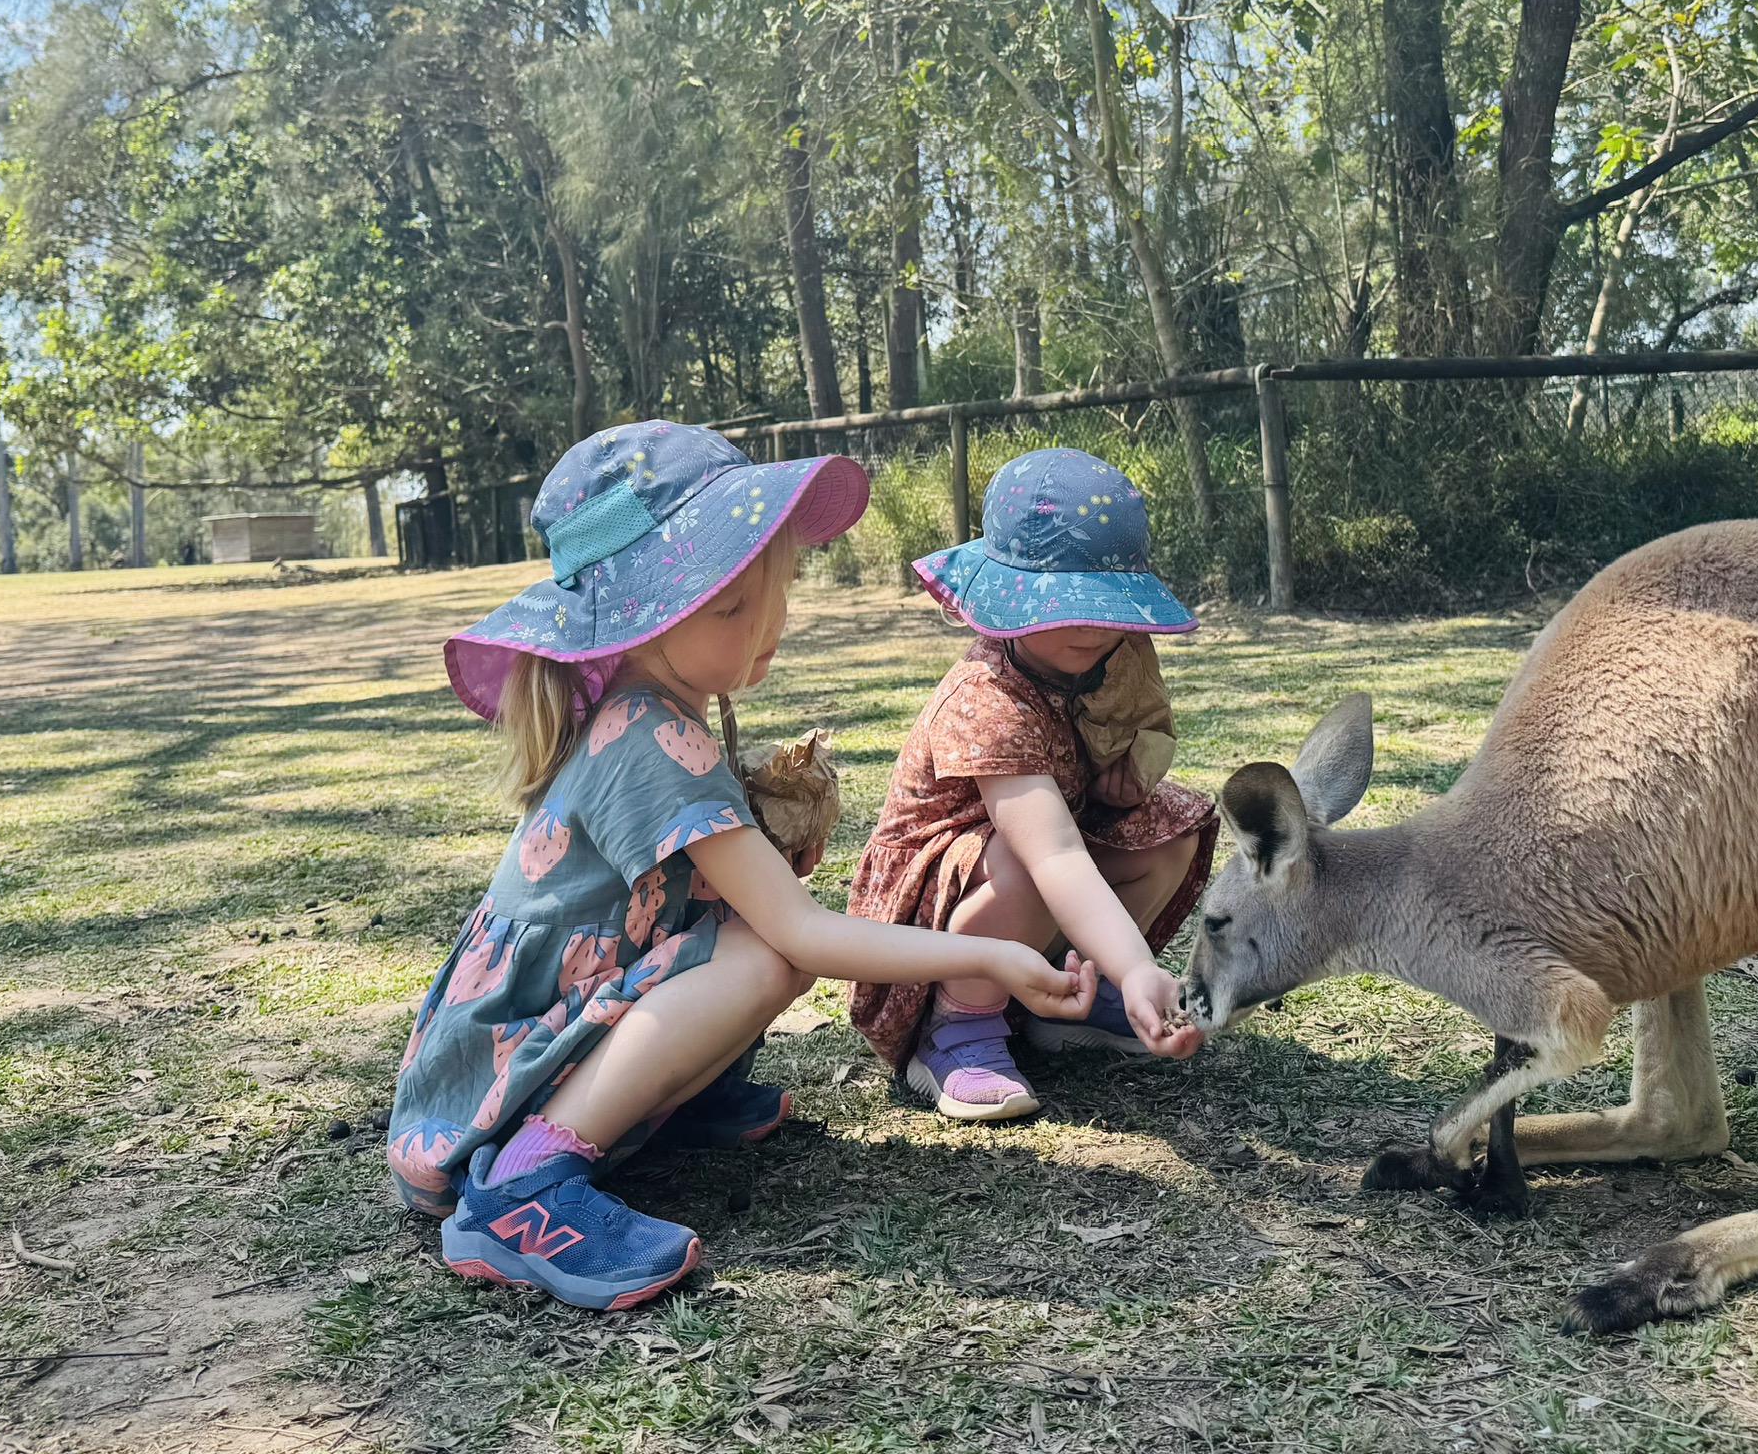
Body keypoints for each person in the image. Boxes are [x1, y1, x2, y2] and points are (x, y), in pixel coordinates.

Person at [389, 421, 1094, 1312]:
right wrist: (991, 957)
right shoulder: (647, 734)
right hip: (493, 1070)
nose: (769, 624)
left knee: (756, 941)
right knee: (767, 951)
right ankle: (520, 1188)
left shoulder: (652, 707)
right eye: (730, 607)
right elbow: (800, 932)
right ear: (649, 619)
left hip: (535, 1025)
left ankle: (659, 1107)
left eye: (776, 591)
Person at [848, 446, 1216, 1122]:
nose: (1091, 626)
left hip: (1028, 873)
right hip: (929, 921)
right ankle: (956, 1027)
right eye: (1063, 604)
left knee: (1171, 829)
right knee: (1028, 862)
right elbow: (1054, 855)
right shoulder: (987, 697)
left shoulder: (1102, 660)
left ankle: (1064, 988)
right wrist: (1140, 968)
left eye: (1106, 605)